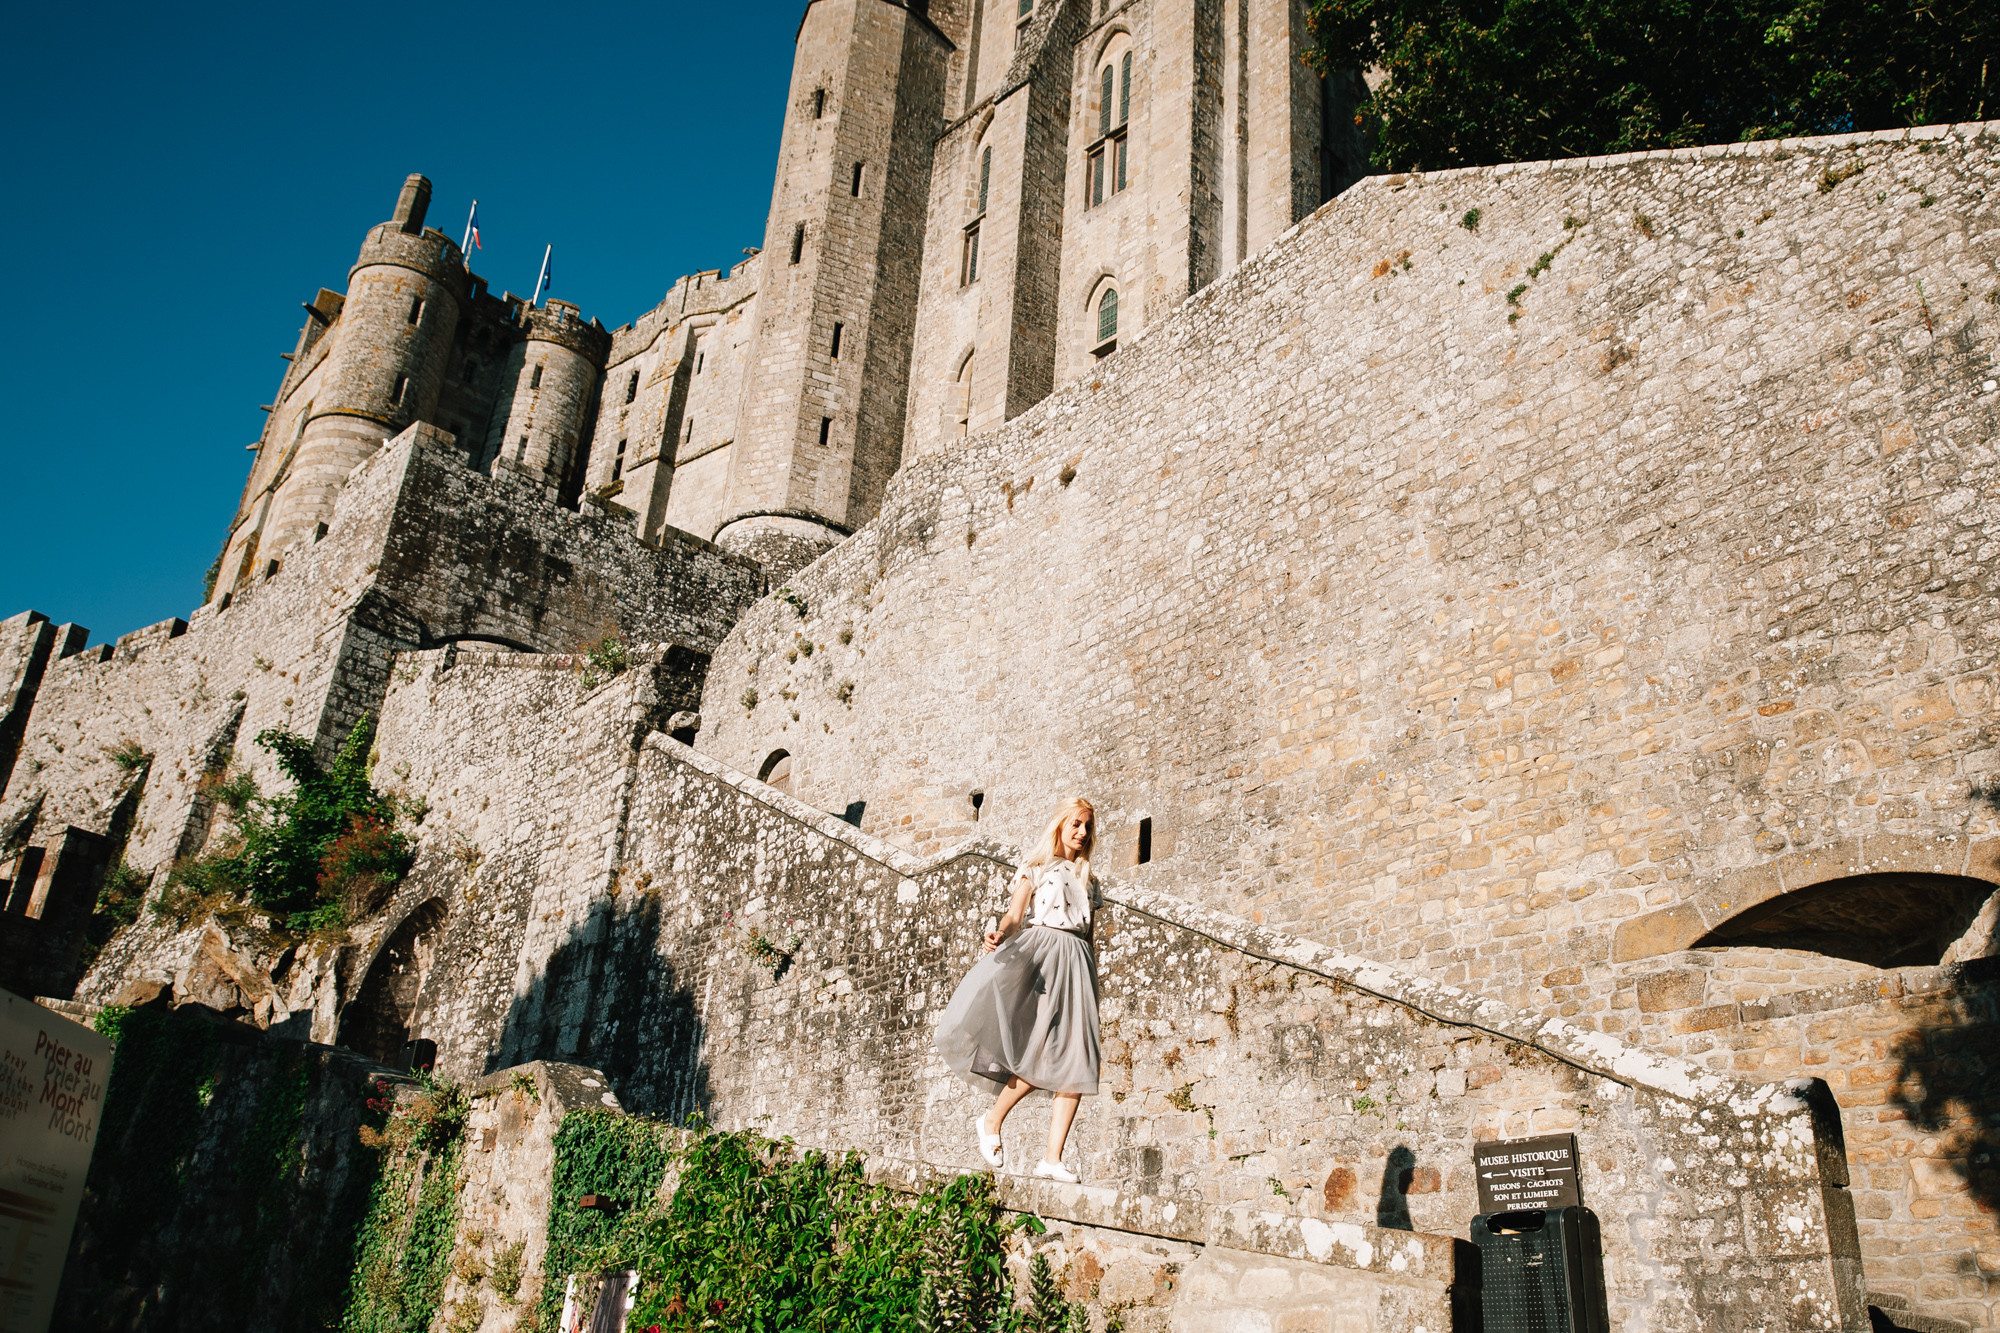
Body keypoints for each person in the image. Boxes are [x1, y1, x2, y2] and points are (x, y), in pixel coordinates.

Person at [935, 797, 1101, 1183]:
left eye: (1088, 827)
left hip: (1078, 963)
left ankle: (1051, 1158)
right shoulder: (1036, 868)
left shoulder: (1088, 880)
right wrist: (999, 932)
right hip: (1044, 957)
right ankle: (991, 1120)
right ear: (1060, 825)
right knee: (1040, 1053)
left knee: (1077, 1058)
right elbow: (1014, 915)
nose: (1082, 833)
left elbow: (1089, 936)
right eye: (1076, 824)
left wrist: (1090, 981)